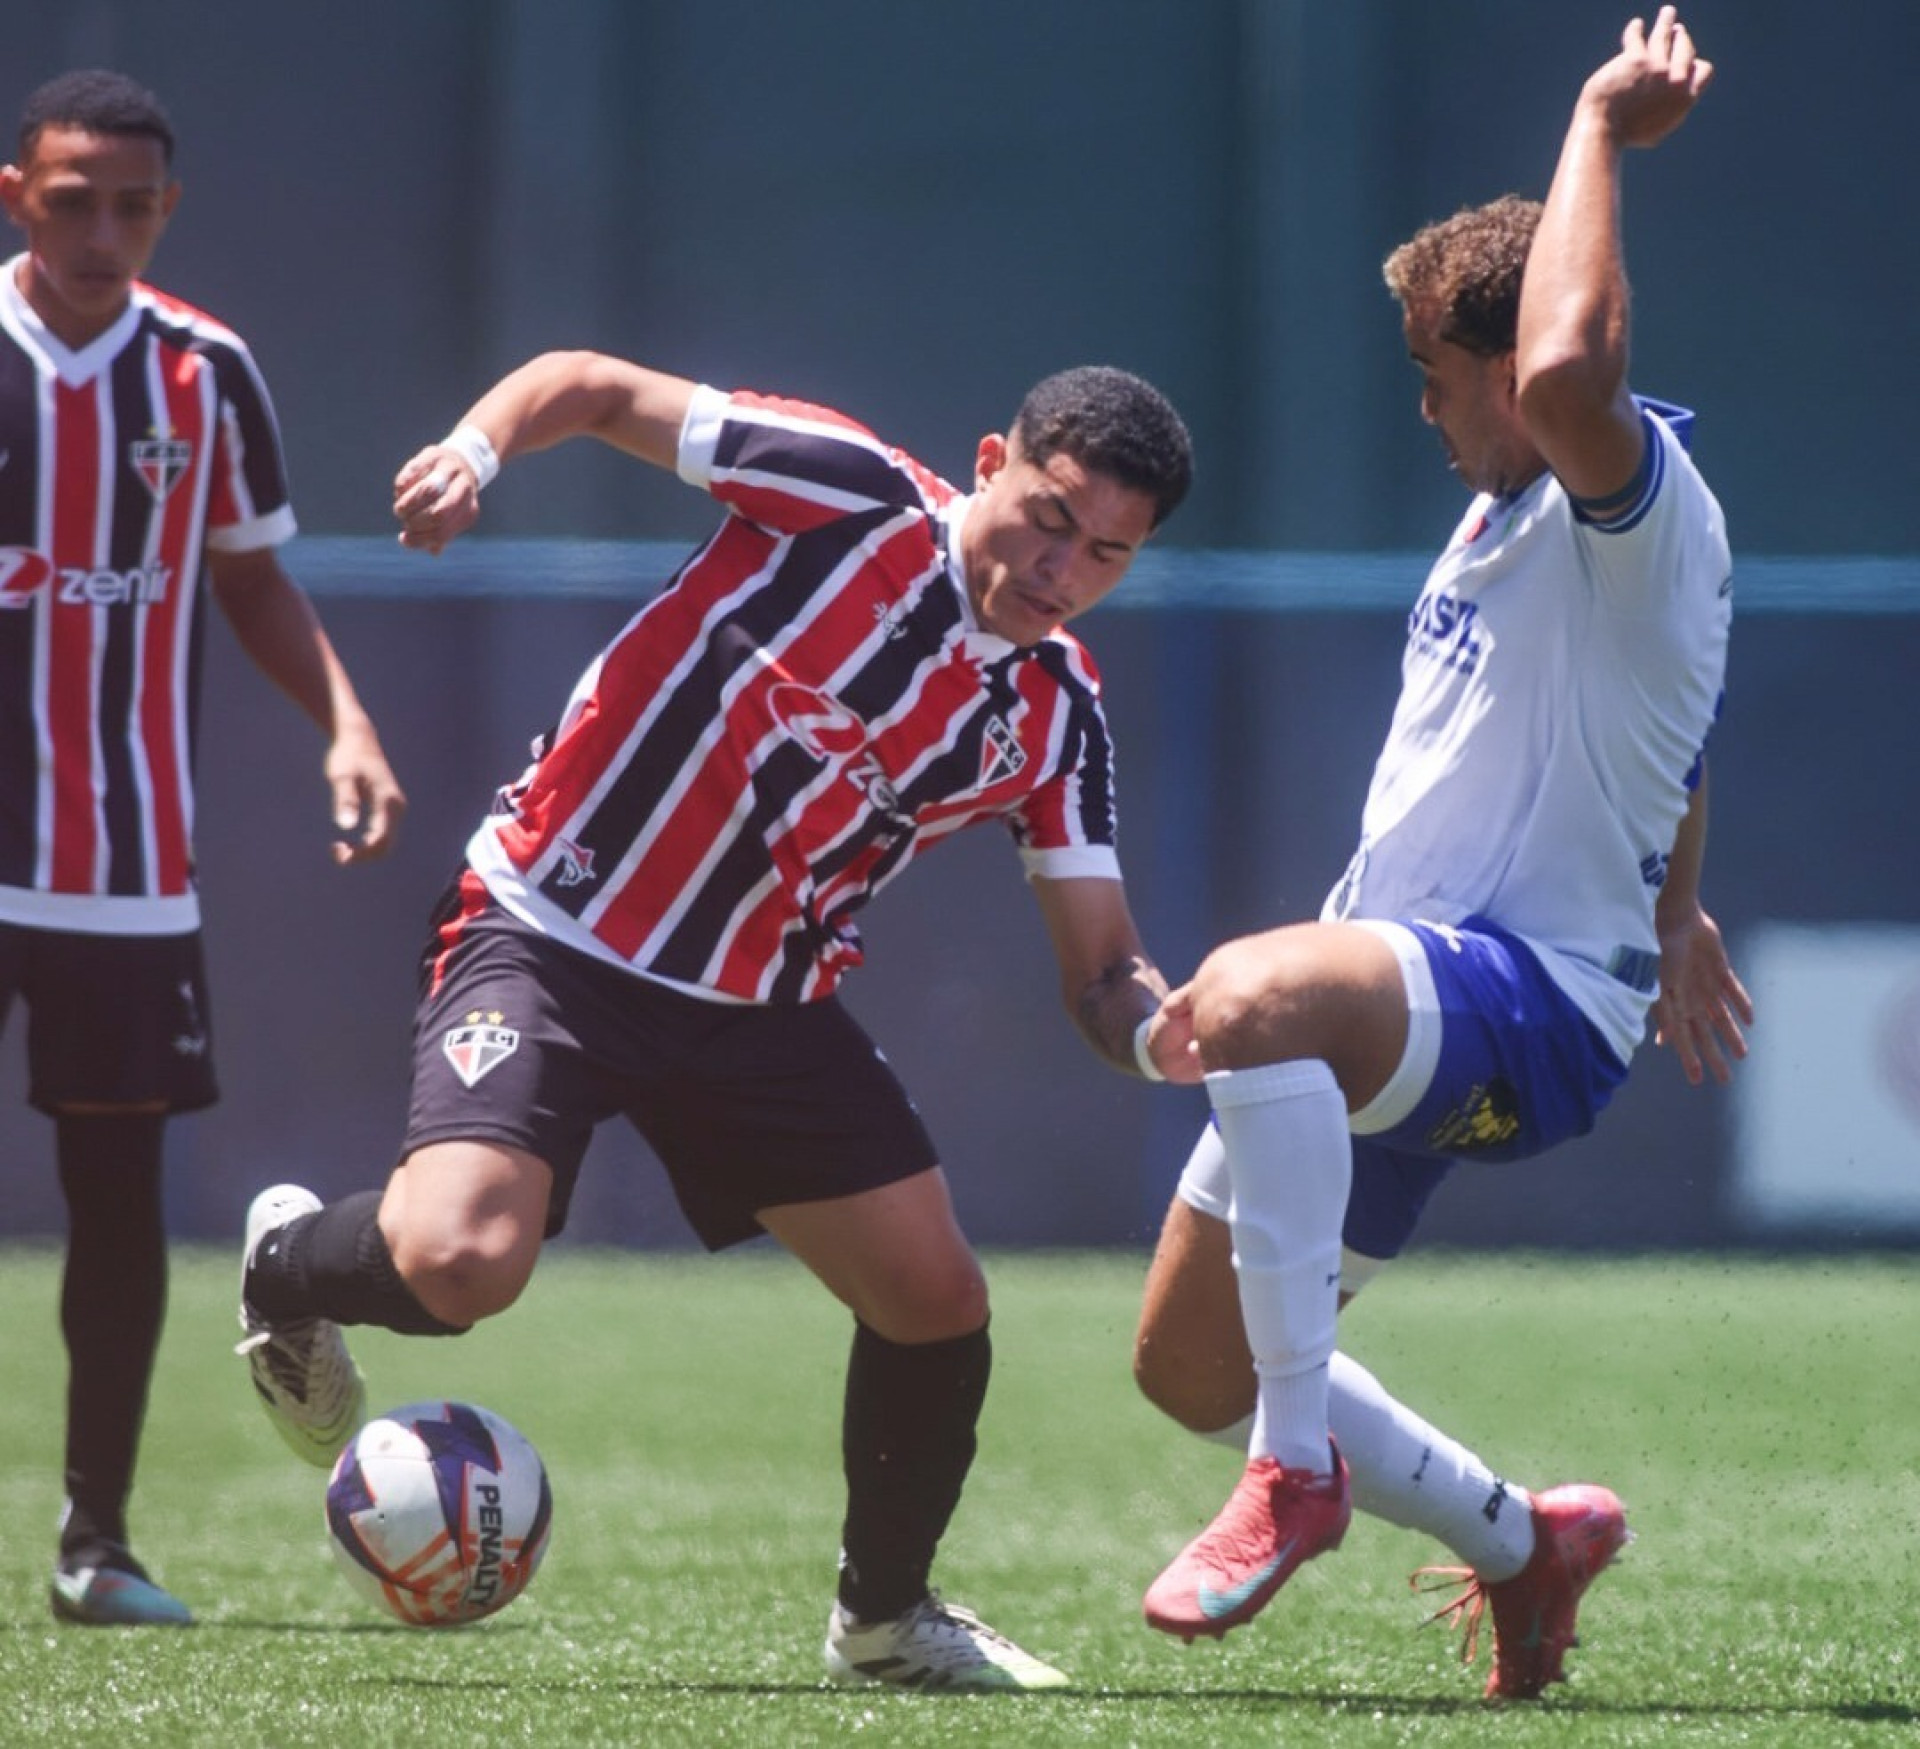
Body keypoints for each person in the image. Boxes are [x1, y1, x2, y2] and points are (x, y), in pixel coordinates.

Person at [235, 353, 1197, 1687]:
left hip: (759, 1003)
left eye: (1104, 553)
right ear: (991, 462)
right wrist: (471, 451)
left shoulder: (1055, 713)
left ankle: (884, 1620)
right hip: (555, 930)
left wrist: (1163, 1032)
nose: (1059, 567)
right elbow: (582, 382)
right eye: (1048, 515)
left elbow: (1103, 967)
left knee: (937, 1300)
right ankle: (290, 1263)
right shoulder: (846, 493)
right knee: (459, 1264)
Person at [1130, 7, 1750, 1700]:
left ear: (1506, 359)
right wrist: (1682, 901)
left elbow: (1561, 371)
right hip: (1410, 982)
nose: (1421, 407)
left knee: (1250, 992)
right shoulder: (1514, 515)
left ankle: (1298, 1472)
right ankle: (1520, 1536)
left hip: (1528, 1010)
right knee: (1184, 1358)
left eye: (1431, 373)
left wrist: (1597, 128)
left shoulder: (1634, 487)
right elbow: (1665, 731)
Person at [0, 70, 406, 1627]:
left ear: (165, 209)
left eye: (131, 202)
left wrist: (346, 722)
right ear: (18, 193)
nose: (102, 227)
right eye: (70, 195)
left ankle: (94, 1546)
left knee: (115, 1206)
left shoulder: (205, 374)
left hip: (120, 870)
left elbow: (249, 582)